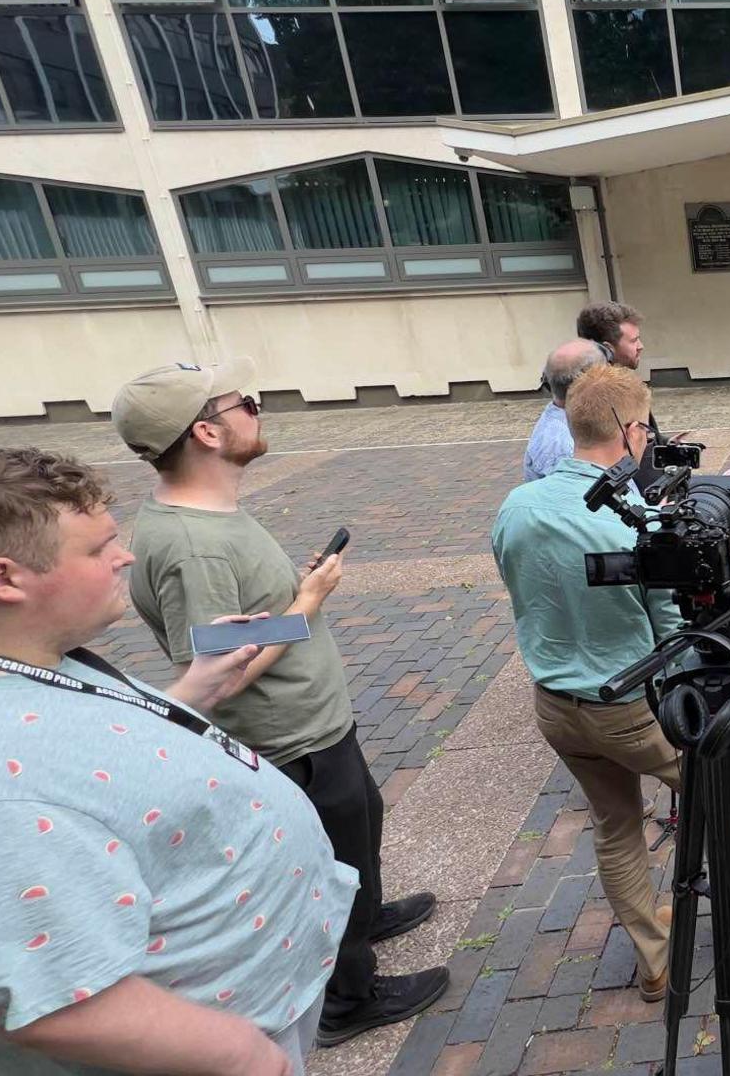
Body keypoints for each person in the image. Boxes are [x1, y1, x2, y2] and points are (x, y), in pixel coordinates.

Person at [0, 446, 359, 1075]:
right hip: (212, 1046)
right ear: (6, 579)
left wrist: (190, 695)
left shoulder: (22, 657)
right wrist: (245, 1058)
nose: (125, 557)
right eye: (99, 548)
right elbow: (64, 1003)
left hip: (250, 1005)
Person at [110, 359, 447, 1046]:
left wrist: (287, 597)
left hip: (318, 724)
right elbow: (213, 667)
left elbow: (236, 623)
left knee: (362, 827)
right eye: (248, 403)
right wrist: (306, 603)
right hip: (290, 740)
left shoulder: (209, 512)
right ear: (206, 430)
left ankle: (366, 912)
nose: (258, 410)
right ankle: (351, 996)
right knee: (335, 859)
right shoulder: (190, 545)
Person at [492, 363, 730, 1002]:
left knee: (615, 826)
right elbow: (677, 630)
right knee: (719, 795)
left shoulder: (515, 507)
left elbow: (518, 587)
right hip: (633, 709)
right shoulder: (632, 517)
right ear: (632, 430)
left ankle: (654, 959)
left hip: (556, 707)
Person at [524, 340, 609, 483]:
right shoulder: (564, 446)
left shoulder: (571, 417)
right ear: (589, 383)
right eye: (607, 373)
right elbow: (578, 500)